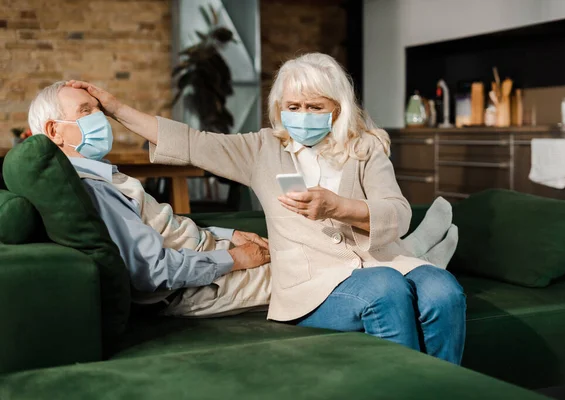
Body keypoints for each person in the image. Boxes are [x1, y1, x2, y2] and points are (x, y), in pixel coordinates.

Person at [66, 52, 466, 364]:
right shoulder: (261, 150)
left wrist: (339, 206)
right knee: (386, 289)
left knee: (443, 291)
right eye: (293, 106)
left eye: (314, 107)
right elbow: (189, 141)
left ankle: (443, 389)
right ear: (279, 107)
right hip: (312, 285)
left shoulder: (365, 147)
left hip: (379, 259)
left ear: (337, 108)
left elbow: (397, 213)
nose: (302, 116)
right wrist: (116, 109)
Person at [27, 81, 272, 317]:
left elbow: (158, 229)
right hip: (200, 283)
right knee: (305, 278)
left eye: (99, 109)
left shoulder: (101, 175)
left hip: (208, 254)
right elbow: (153, 269)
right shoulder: (93, 188)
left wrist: (224, 235)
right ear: (53, 131)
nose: (100, 117)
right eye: (86, 110)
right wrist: (235, 258)